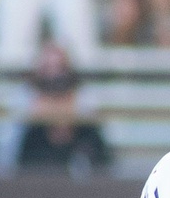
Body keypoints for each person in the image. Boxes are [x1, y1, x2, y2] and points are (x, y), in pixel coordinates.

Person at [13, 43, 112, 174]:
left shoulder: (89, 135)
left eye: (61, 69)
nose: (54, 77)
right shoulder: (30, 138)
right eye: (47, 70)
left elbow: (106, 171)